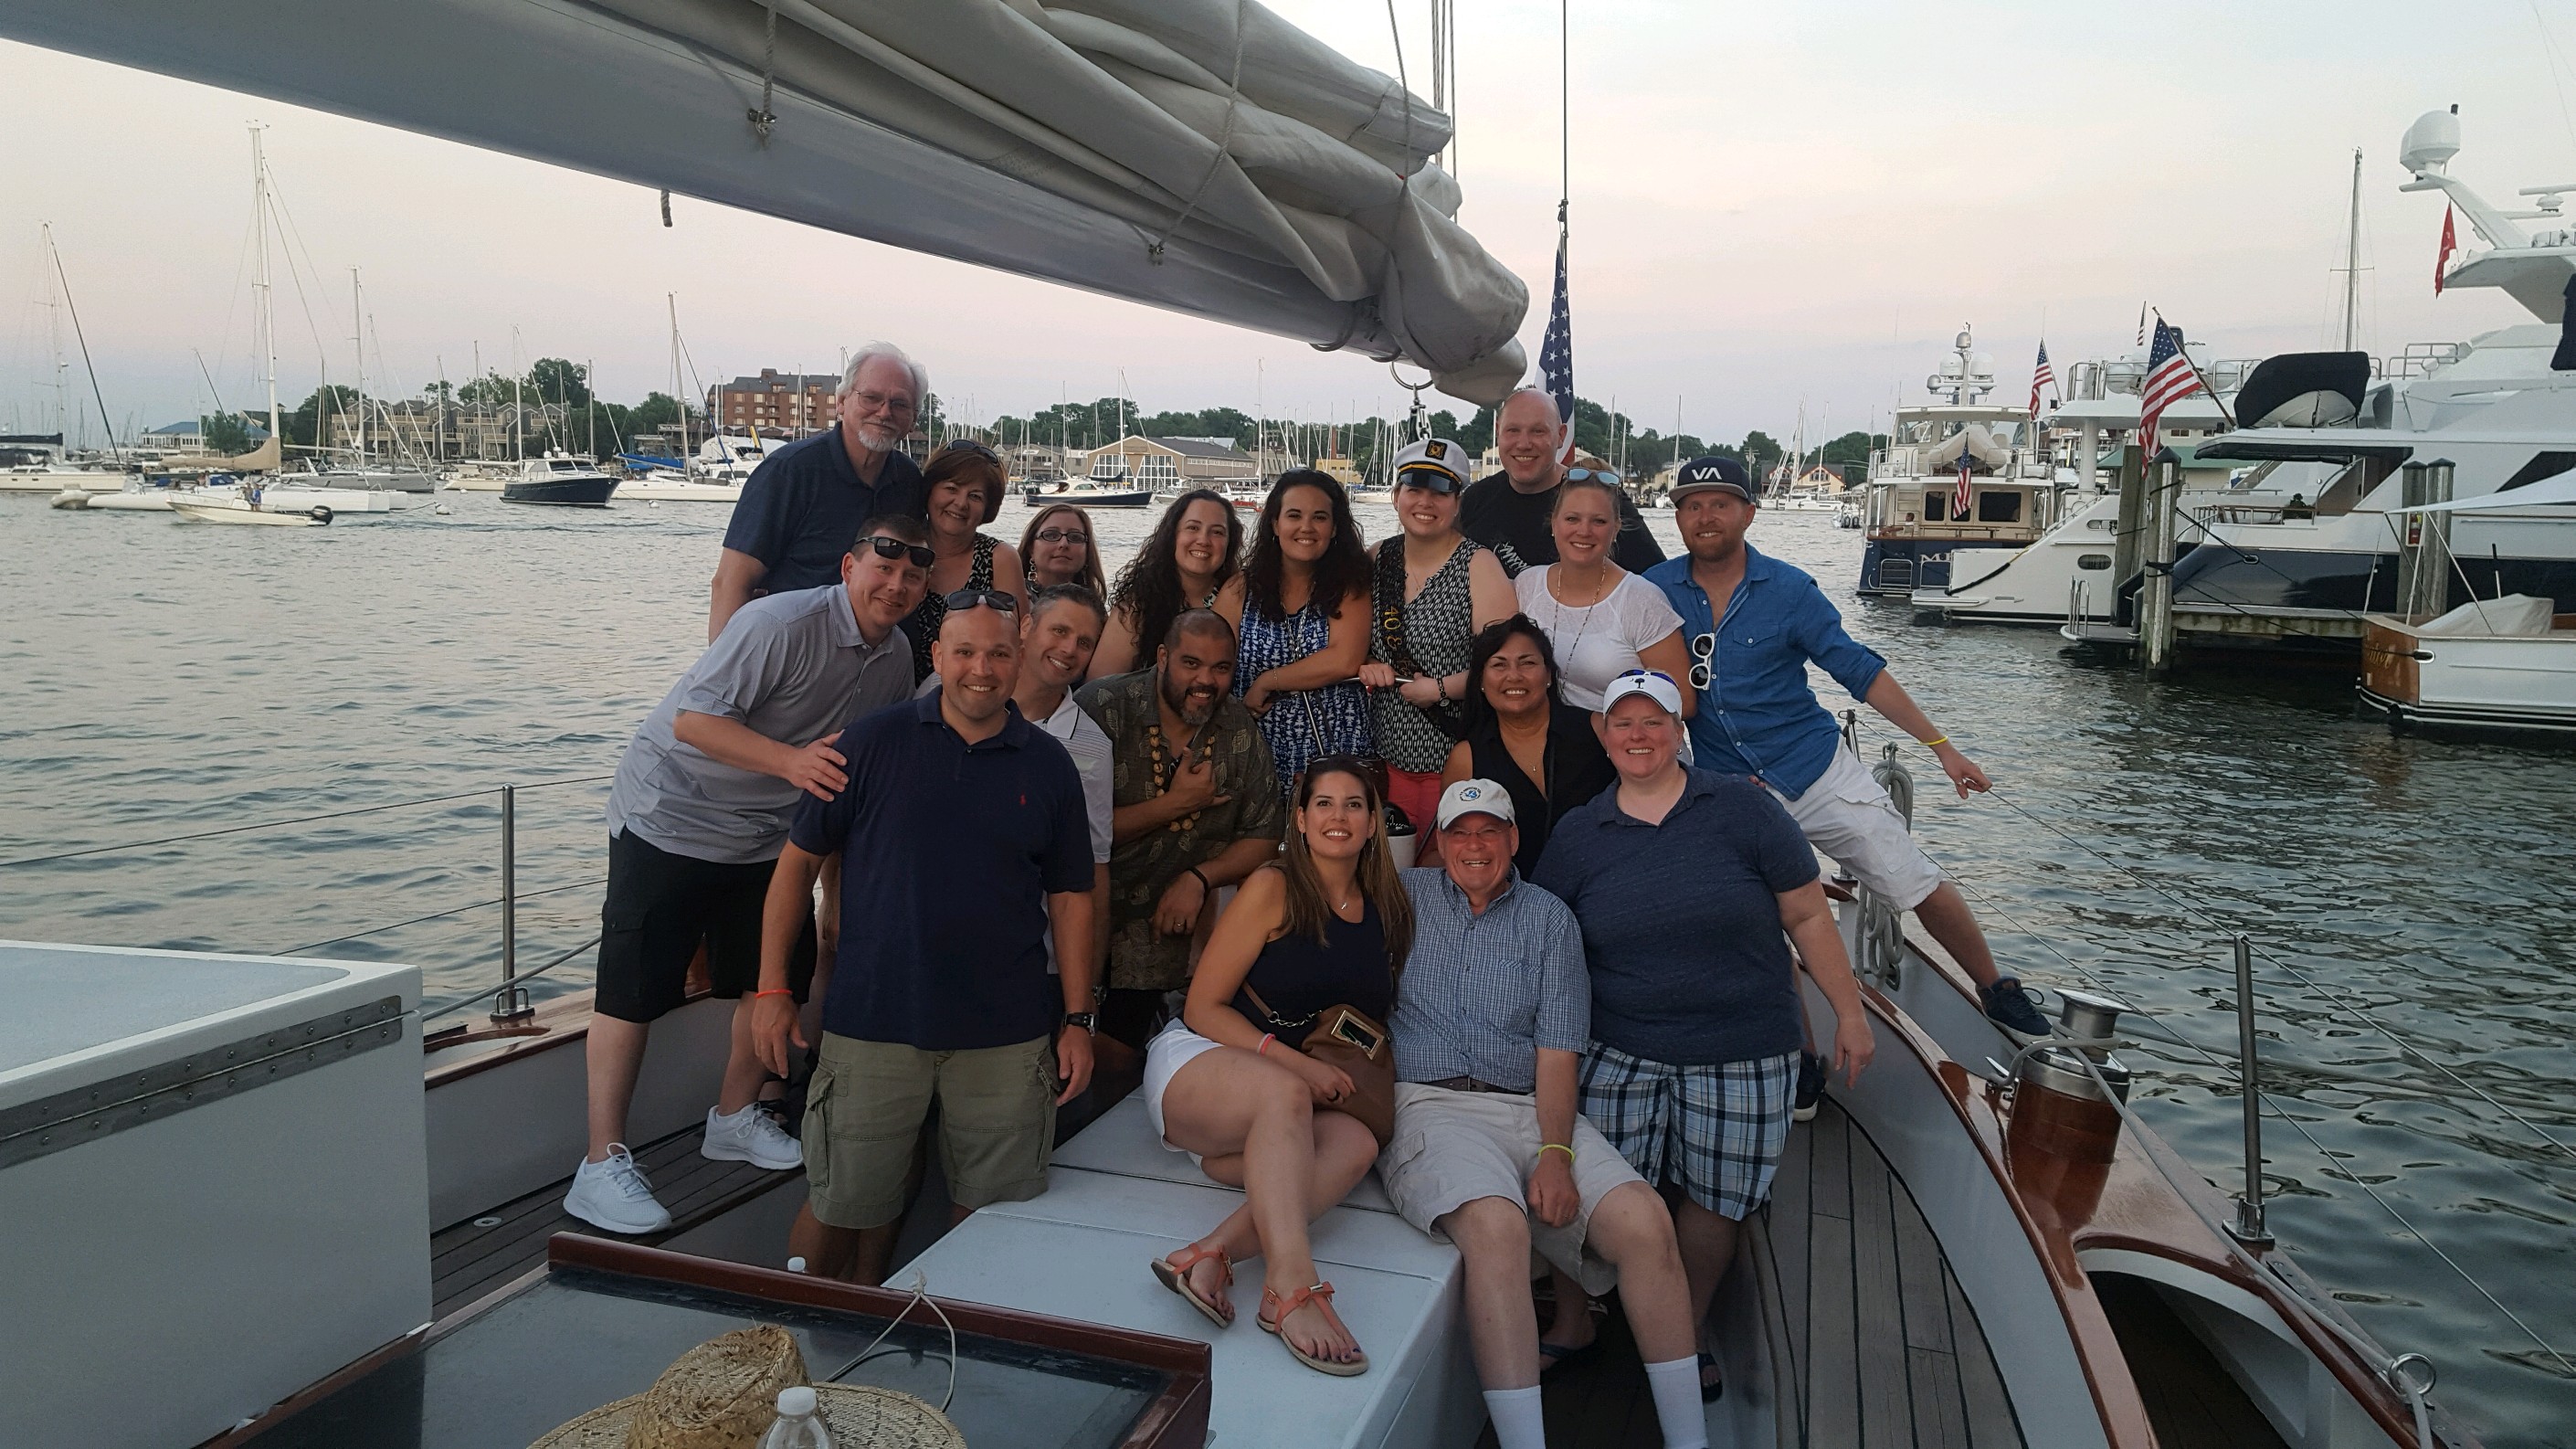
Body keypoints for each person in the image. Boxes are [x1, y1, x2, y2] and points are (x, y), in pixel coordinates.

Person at [565, 513, 929, 1234]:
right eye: (882, 567)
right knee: (631, 992)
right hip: (673, 812)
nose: (895, 584)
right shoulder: (776, 624)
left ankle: (732, 1116)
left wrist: (835, 883)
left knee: (771, 979)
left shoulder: (895, 660)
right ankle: (599, 1162)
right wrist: (791, 763)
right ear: (849, 566)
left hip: (769, 836)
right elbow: (694, 722)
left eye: (913, 576)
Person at [1535, 670, 1876, 1401]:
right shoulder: (1578, 834)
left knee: (1715, 1202)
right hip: (1620, 1047)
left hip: (1745, 1050)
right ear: (1602, 734)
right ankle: (1582, 1319)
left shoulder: (1744, 811)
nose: (1638, 735)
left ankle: (1680, 1335)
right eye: (1622, 723)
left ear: (1678, 730)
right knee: (1596, 1193)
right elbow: (1547, 945)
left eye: (1653, 721)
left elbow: (1810, 917)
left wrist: (1849, 1012)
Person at [1642, 456, 2053, 1042]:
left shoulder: (1788, 590)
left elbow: (1859, 670)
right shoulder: (1655, 593)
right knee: (1756, 924)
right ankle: (1804, 1052)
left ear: (1749, 513)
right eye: (1692, 505)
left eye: (1721, 503)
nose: (1705, 516)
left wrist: (1942, 747)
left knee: (1909, 877)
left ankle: (1995, 988)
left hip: (1813, 769)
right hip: (1730, 789)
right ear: (1678, 518)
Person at [751, 595, 1098, 1285]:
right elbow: (795, 870)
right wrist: (772, 990)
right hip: (873, 1023)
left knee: (991, 1219)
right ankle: (785, 1350)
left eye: (999, 653)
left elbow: (1072, 899)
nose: (982, 668)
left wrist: (1080, 1020)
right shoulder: (867, 744)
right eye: (964, 652)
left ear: (1019, 659)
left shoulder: (1051, 765)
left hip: (1006, 1036)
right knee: (839, 1204)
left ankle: (958, 1359)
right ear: (936, 658)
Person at [1383, 780, 1710, 1449]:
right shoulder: (1403, 900)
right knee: (1498, 1229)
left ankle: (1691, 1441)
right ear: (1437, 842)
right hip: (1429, 1103)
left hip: (1530, 1106)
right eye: (1459, 833)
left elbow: (1558, 1053)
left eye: (1489, 831)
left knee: (1646, 1223)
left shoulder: (1550, 919)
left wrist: (1557, 1153)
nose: (1474, 846)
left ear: (1513, 838)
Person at [1142, 757, 1412, 1377]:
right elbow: (1206, 1006)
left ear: (1373, 822)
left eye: (1353, 804)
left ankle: (1209, 1253)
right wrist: (1297, 1069)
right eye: (1323, 804)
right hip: (1204, 1062)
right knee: (1285, 1096)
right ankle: (1290, 1286)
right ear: (1300, 817)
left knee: (1355, 1142)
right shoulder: (1274, 886)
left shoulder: (1381, 906)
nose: (1337, 817)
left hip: (1275, 1097)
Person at [1079, 609, 1286, 1059]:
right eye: (1191, 663)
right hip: (1082, 911)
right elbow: (1066, 835)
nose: (1205, 681)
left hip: (1169, 933)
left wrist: (1199, 877)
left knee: (1126, 1062)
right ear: (1162, 657)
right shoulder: (1103, 708)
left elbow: (1266, 834)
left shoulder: (1237, 729)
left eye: (1221, 668)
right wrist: (1175, 804)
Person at [711, 344, 930, 640]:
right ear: (841, 402)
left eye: (899, 404)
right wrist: (728, 677)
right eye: (871, 398)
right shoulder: (788, 472)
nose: (884, 412)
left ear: (913, 418)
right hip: (791, 664)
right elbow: (731, 583)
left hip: (880, 669)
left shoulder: (909, 482)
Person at [1358, 438, 1515, 842]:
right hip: (1383, 757)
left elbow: (1505, 666)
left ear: (1458, 502)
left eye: (1440, 493)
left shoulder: (1479, 565)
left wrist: (1442, 688)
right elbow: (1350, 642)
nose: (1425, 502)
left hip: (1455, 757)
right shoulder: (1377, 558)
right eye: (1414, 489)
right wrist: (1366, 665)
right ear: (1396, 497)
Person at [1441, 617, 1615, 878]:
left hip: (1604, 888)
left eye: (1528, 663)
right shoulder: (1467, 758)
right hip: (1513, 904)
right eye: (1499, 665)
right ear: (1480, 681)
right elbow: (1451, 844)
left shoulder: (1597, 729)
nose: (1514, 676)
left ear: (1548, 675)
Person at [1235, 469, 1375, 796]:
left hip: (1334, 752)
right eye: (1294, 515)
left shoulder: (1350, 586)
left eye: (1320, 517)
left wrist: (1268, 681)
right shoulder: (1241, 588)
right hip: (1257, 752)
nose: (1306, 527)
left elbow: (1344, 660)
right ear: (1274, 523)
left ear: (1335, 527)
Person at [1514, 472, 1695, 712]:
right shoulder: (1527, 585)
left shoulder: (1641, 600)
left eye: (1598, 521)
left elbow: (1684, 700)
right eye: (1572, 519)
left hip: (1622, 743)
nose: (1584, 531)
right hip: (1553, 741)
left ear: (1615, 529)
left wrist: (1614, 722)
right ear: (1554, 524)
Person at [1458, 387, 1663, 576]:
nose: (1524, 444)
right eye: (1513, 430)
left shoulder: (1599, 497)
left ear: (1561, 436)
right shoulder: (1475, 499)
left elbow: (1656, 577)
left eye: (1538, 431)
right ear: (1498, 432)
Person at [900, 442, 1029, 682]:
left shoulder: (999, 558)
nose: (961, 503)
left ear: (987, 509)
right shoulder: (902, 549)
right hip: (896, 692)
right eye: (951, 488)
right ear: (930, 490)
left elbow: (1017, 646)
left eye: (975, 496)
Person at [1092, 489, 1246, 678]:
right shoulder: (1137, 608)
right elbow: (1098, 685)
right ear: (1173, 536)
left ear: (1230, 543)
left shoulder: (1242, 600)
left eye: (1217, 532)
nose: (1204, 540)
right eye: (1193, 528)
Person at [1019, 502, 1107, 599]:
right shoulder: (1011, 602)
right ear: (1031, 548)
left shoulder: (1094, 608)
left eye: (1075, 537)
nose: (1064, 544)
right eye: (1051, 535)